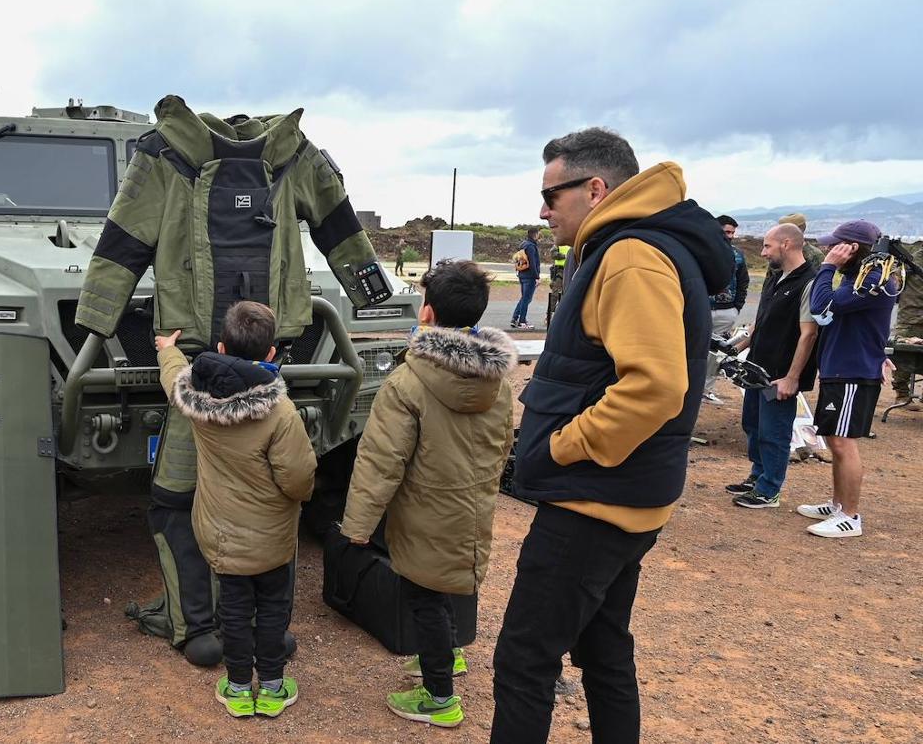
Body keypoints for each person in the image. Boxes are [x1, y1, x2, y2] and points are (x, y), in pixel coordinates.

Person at [492, 128, 732, 743]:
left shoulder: (630, 255)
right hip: (624, 496)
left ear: (594, 189)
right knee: (603, 649)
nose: (544, 211)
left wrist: (560, 446)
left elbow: (653, 387)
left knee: (525, 659)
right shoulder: (631, 247)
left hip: (592, 501)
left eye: (551, 194)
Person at [340, 260, 515, 728]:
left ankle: (440, 697)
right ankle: (451, 658)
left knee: (425, 597)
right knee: (452, 580)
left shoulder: (408, 381)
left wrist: (356, 526)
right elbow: (503, 444)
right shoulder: (496, 379)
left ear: (426, 314)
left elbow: (380, 461)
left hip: (424, 506)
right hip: (471, 502)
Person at [153, 301, 316, 719]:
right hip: (274, 536)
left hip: (221, 535)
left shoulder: (196, 398)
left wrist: (166, 349)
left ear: (221, 347)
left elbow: (174, 379)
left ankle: (240, 688)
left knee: (235, 609)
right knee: (274, 607)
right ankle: (275, 688)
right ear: (272, 355)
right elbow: (298, 477)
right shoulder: (280, 412)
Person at [800, 220, 898, 538]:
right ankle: (837, 504)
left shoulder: (875, 280)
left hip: (853, 371)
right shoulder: (857, 277)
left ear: (852, 248)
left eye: (835, 244)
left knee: (844, 442)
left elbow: (820, 306)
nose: (829, 249)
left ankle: (850, 516)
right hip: (839, 367)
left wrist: (827, 267)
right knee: (833, 437)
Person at [723, 223, 819, 508]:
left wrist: (792, 377)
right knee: (752, 424)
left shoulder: (808, 282)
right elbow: (760, 322)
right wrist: (737, 349)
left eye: (767, 246)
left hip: (779, 375)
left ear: (786, 244)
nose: (763, 252)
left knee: (773, 432)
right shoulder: (775, 277)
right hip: (757, 369)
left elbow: (809, 333)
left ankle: (769, 490)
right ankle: (758, 476)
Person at [702, 214, 749, 404]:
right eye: (726, 231)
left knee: (714, 355)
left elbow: (743, 282)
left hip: (726, 311)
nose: (730, 236)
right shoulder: (702, 250)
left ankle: (706, 390)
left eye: (732, 233)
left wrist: (736, 308)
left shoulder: (737, 255)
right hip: (701, 309)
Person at [889, 243, 923, 410]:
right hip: (910, 316)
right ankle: (902, 393)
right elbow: (895, 283)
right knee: (902, 356)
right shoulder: (912, 260)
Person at [511, 227, 541, 329]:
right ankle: (522, 321)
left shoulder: (523, 245)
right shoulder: (531, 246)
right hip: (530, 276)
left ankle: (515, 319)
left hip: (522, 274)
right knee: (526, 299)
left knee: (524, 298)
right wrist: (537, 277)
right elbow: (532, 263)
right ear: (535, 234)